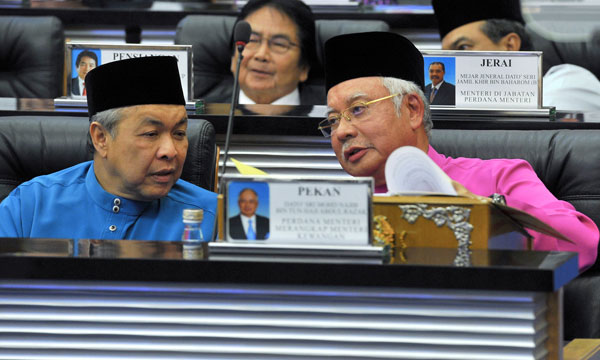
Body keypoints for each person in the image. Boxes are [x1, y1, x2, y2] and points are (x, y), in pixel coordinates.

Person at [320, 31, 599, 271]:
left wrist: (483, 212)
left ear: (413, 109)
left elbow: (583, 243)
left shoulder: (499, 176)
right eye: (333, 120)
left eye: (358, 110)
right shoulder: (332, 208)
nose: (342, 131)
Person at [0, 56, 218, 241]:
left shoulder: (212, 220)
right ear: (101, 138)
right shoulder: (30, 205)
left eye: (179, 133)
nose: (170, 151)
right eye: (151, 134)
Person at [431, 0, 600, 112]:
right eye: (445, 54)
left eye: (463, 48)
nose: (450, 63)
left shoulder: (567, 85)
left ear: (509, 45)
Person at [230, 0, 322, 105]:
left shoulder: (331, 117)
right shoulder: (208, 111)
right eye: (252, 40)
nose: (261, 55)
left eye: (279, 44)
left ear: (304, 68)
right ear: (233, 60)